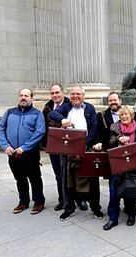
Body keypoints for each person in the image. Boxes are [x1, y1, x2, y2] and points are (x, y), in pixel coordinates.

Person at [49, 85, 104, 221]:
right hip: (67, 149)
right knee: (66, 179)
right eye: (73, 94)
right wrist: (62, 120)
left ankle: (96, 207)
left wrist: (85, 145)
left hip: (86, 147)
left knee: (92, 179)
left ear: (83, 95)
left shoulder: (89, 108)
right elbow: (52, 114)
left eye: (78, 94)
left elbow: (94, 128)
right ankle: (69, 208)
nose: (75, 96)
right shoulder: (66, 107)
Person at [0, 88, 46, 214]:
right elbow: (0, 129)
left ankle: (39, 202)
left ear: (31, 98)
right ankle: (23, 202)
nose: (23, 97)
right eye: (21, 95)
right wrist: (5, 146)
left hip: (30, 153)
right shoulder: (9, 112)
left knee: (35, 178)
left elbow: (40, 132)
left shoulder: (37, 114)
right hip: (12, 153)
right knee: (20, 179)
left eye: (26, 95)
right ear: (18, 97)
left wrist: (24, 147)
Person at [105, 105, 136, 227]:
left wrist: (133, 147)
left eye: (126, 114)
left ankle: (131, 215)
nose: (123, 116)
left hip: (133, 165)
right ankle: (113, 218)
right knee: (114, 193)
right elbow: (109, 143)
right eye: (121, 115)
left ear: (132, 115)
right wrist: (118, 139)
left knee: (131, 192)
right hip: (117, 165)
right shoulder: (114, 127)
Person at [92, 92, 122, 230]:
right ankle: (113, 217)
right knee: (113, 187)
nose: (113, 102)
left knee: (128, 185)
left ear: (120, 101)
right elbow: (98, 132)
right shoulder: (102, 116)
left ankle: (130, 212)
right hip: (111, 156)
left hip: (127, 157)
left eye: (115, 100)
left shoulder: (128, 113)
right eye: (110, 100)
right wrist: (98, 142)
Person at [41, 83, 70, 211]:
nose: (55, 95)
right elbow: (43, 127)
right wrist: (43, 143)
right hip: (54, 146)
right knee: (58, 174)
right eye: (52, 93)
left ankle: (79, 199)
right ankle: (62, 199)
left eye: (57, 92)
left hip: (69, 145)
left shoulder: (70, 105)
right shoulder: (47, 107)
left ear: (63, 93)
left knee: (72, 173)